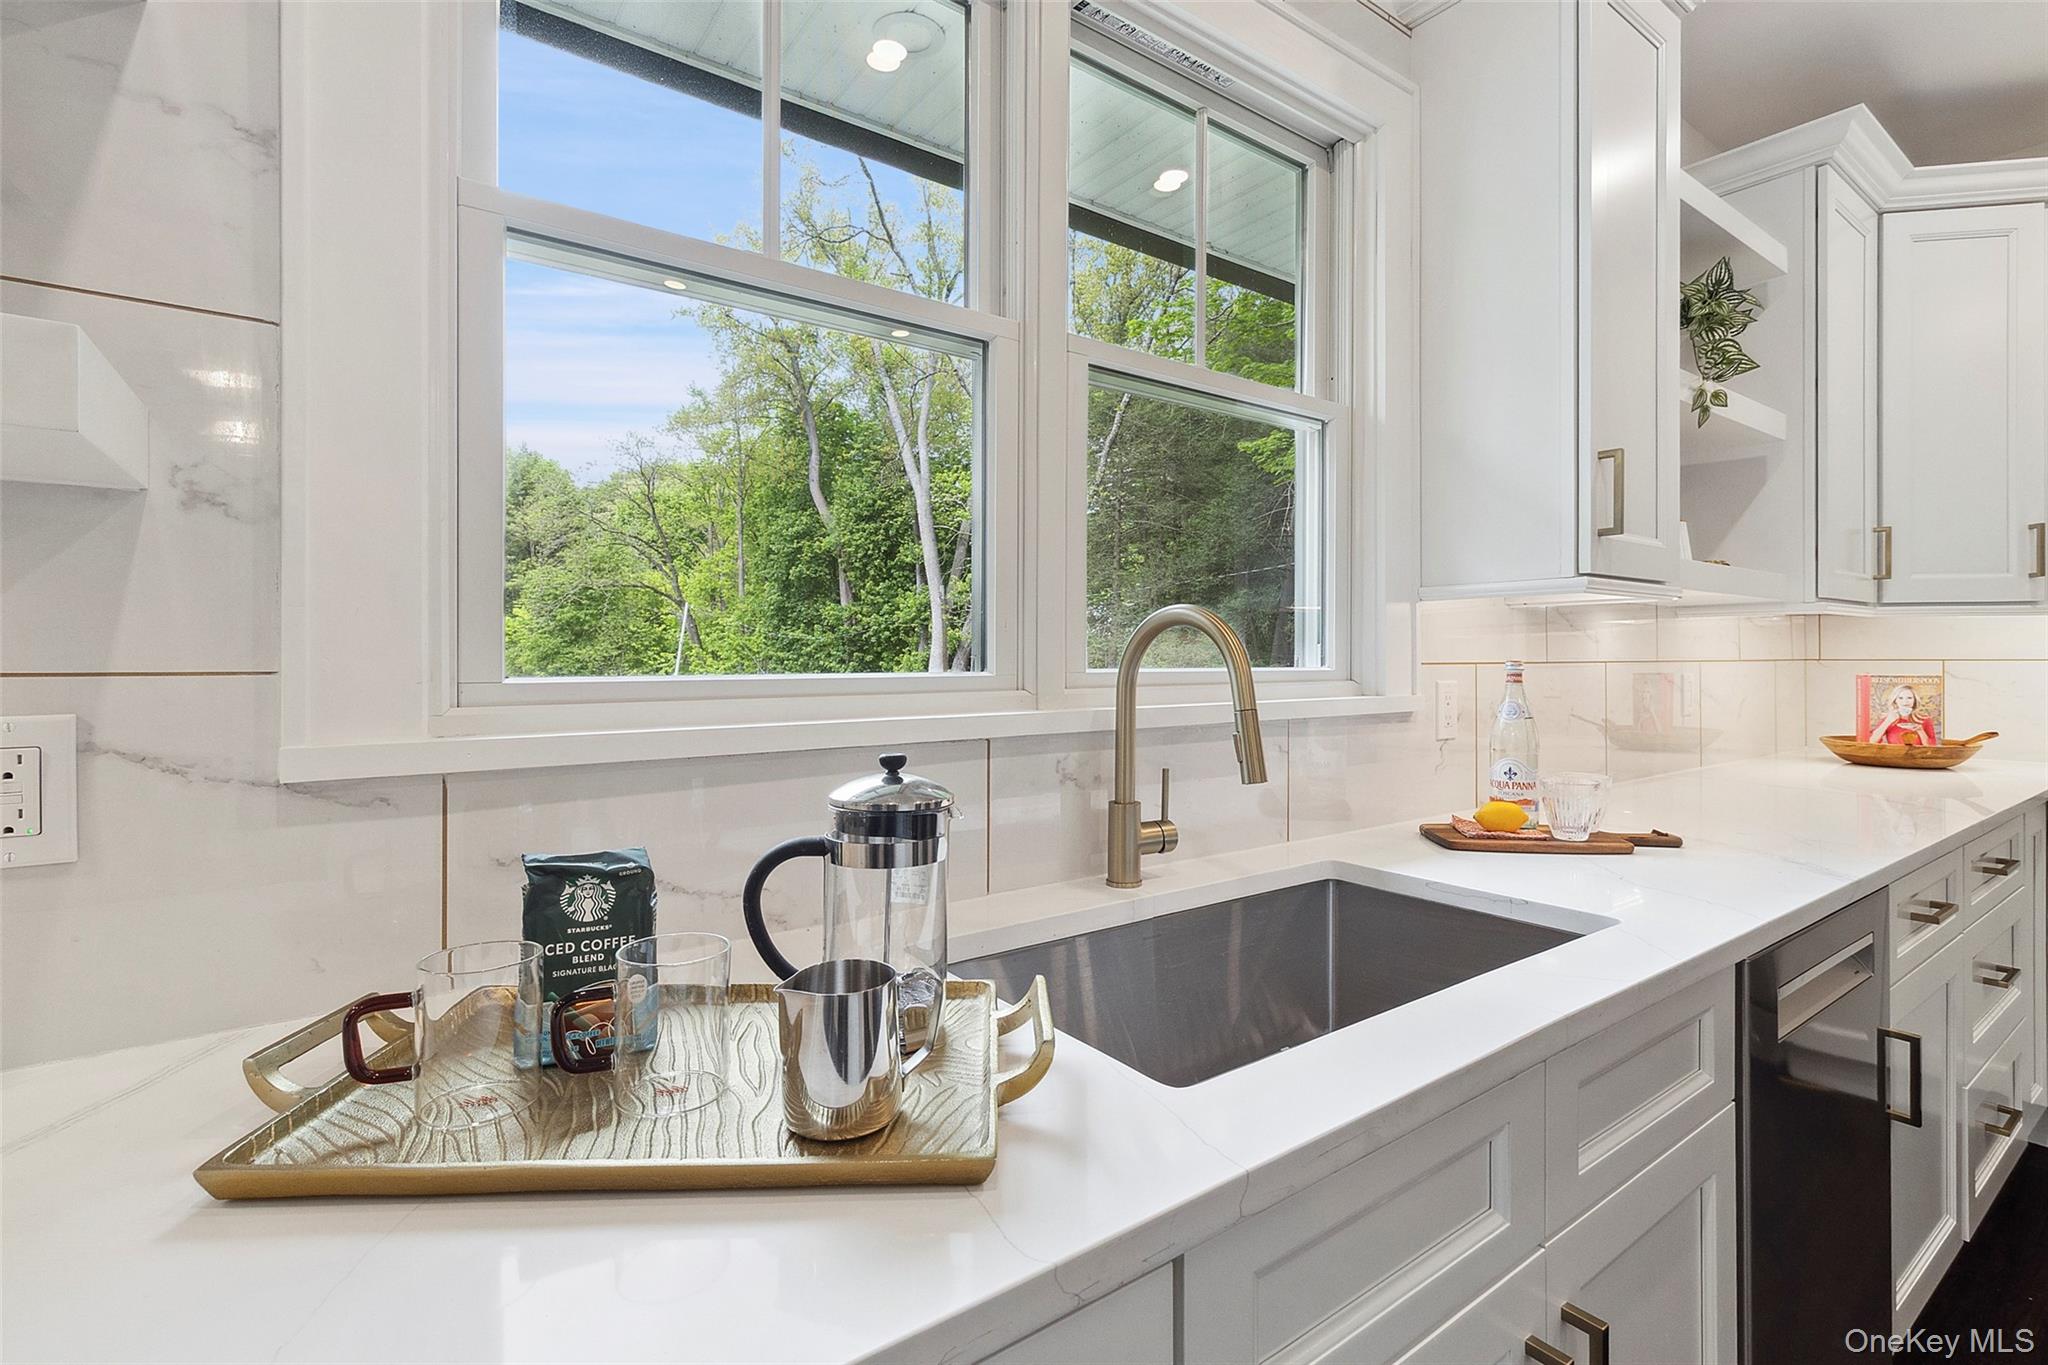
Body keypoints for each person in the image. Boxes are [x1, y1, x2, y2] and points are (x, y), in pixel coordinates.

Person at [1871, 682, 1938, 746]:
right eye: (1900, 698)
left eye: (1909, 698)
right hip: (1895, 756)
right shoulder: (1888, 719)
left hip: (1918, 756)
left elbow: (1931, 747)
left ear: (1914, 701)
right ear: (1895, 701)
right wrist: (1888, 721)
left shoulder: (1924, 719)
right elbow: (1872, 741)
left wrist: (1920, 731)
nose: (1905, 702)